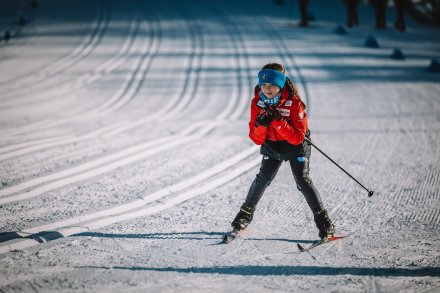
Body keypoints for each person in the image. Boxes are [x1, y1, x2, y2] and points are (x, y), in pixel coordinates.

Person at [230, 63, 335, 240]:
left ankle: (324, 222)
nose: (267, 89)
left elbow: (297, 137)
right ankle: (244, 215)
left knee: (302, 180)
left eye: (271, 85)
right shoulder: (257, 102)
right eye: (263, 85)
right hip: (272, 145)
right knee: (263, 178)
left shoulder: (294, 103)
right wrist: (262, 124)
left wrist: (278, 120)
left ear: (281, 84)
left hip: (296, 146)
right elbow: (256, 138)